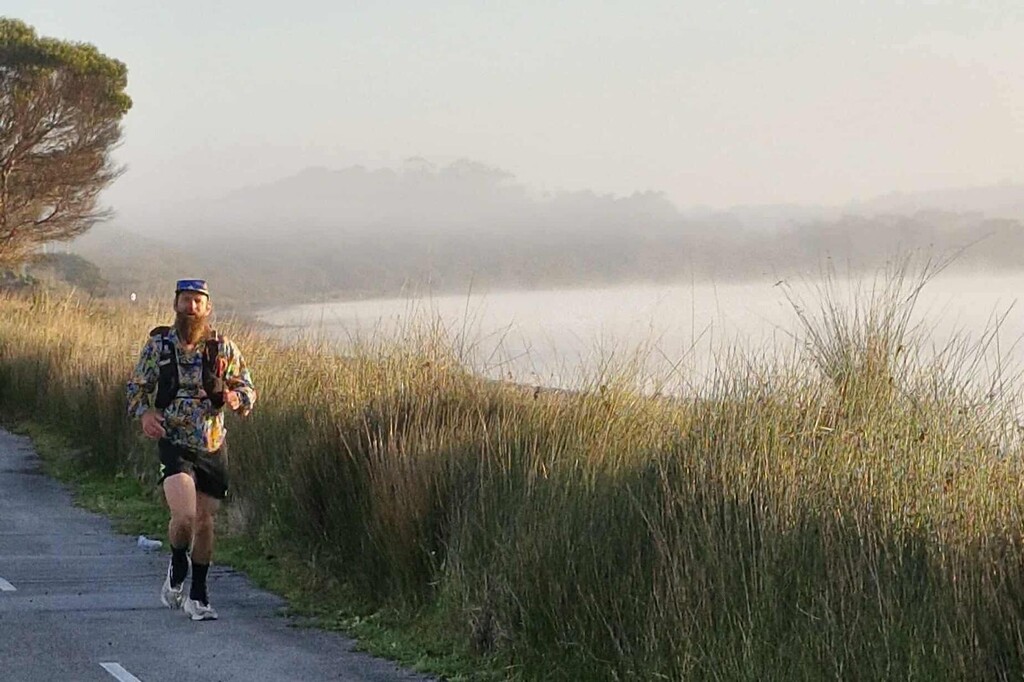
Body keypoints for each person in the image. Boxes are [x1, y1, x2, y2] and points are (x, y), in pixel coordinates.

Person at [126, 279, 257, 621]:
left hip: (212, 444)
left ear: (207, 307)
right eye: (186, 300)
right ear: (176, 304)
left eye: (198, 301)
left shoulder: (222, 347)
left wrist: (235, 398)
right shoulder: (159, 345)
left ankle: (197, 596)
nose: (192, 307)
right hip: (174, 442)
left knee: (205, 521)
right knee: (184, 516)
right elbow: (136, 388)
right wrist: (146, 414)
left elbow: (247, 388)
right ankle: (177, 562)